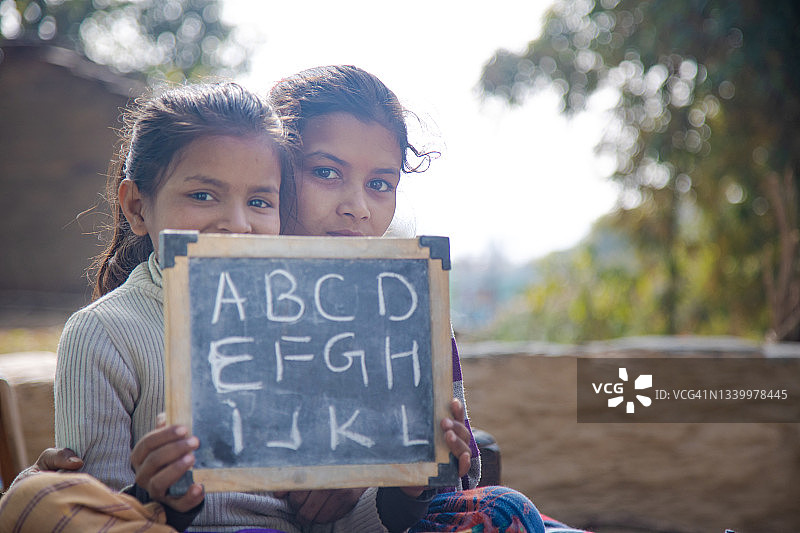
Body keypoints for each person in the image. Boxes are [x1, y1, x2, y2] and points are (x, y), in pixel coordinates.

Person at [0, 79, 475, 533]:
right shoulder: (106, 332)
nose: (236, 224)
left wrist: (404, 488)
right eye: (203, 195)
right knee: (33, 500)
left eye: (260, 201)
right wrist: (156, 497)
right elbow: (96, 510)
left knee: (502, 510)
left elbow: (326, 520)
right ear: (138, 208)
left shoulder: (318, 320)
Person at [267, 65, 549, 533]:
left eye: (380, 184)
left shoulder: (407, 306)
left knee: (505, 512)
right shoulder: (228, 301)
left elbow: (449, 495)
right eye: (325, 172)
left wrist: (414, 473)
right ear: (273, 171)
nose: (357, 205)